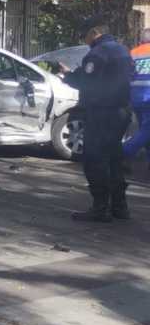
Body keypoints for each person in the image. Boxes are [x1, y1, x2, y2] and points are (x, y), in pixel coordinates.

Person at [61, 22, 133, 222]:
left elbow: (86, 80)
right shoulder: (123, 51)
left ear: (94, 32)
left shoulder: (97, 53)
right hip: (121, 111)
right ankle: (120, 207)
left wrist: (67, 75)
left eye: (85, 35)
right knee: (114, 159)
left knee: (95, 159)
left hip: (101, 112)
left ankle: (100, 208)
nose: (84, 40)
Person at [123, 28, 150, 160]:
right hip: (148, 97)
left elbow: (127, 75)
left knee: (145, 130)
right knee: (146, 132)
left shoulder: (133, 53)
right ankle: (123, 152)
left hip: (135, 98)